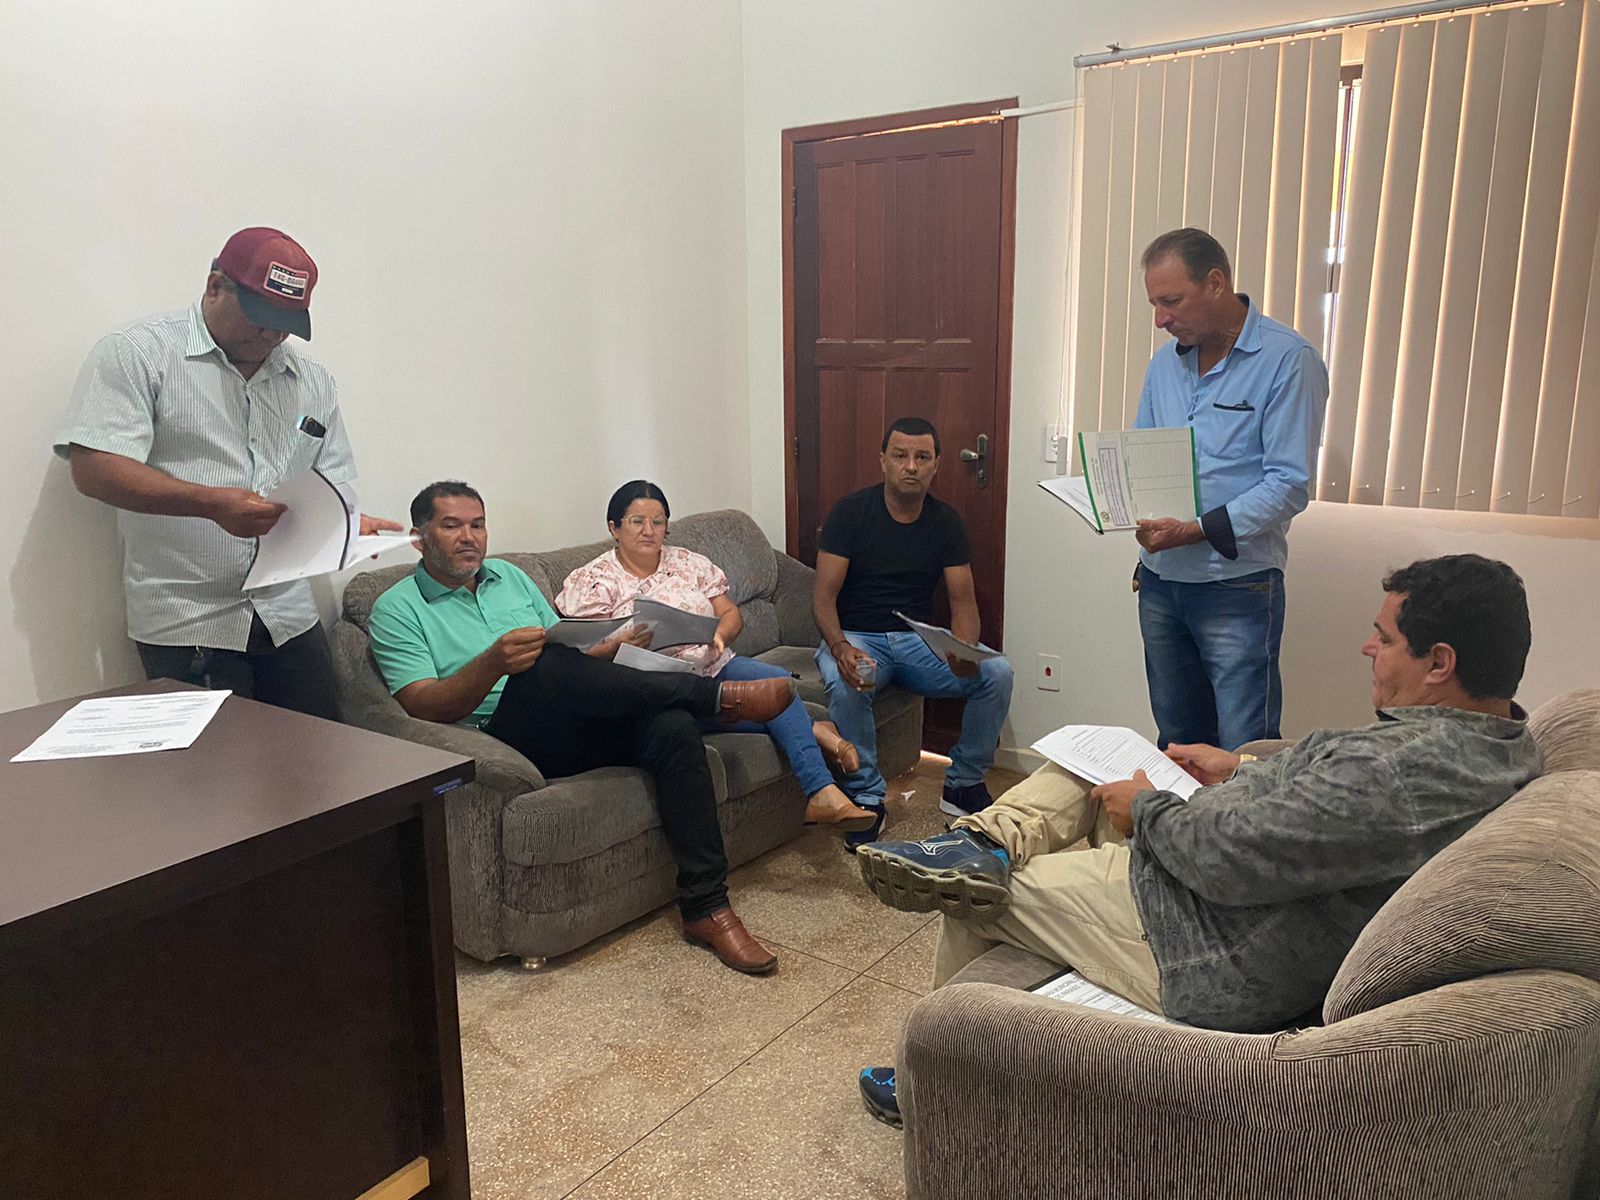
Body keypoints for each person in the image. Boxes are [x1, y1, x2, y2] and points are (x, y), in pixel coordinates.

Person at [854, 554, 1540, 1125]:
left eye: (1384, 639)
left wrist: (1148, 809)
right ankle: (980, 840)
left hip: (1200, 942)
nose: (1368, 648)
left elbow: (1228, 860)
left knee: (975, 895)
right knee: (1089, 765)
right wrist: (1239, 767)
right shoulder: (1494, 743)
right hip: (1218, 881)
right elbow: (1323, 814)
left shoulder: (1403, 773)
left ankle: (930, 1092)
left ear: (1439, 661)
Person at [368, 481, 799, 975]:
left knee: (673, 728)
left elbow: (566, 651)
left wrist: (605, 651)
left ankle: (707, 907)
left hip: (570, 714)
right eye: (452, 526)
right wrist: (492, 664)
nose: (469, 537)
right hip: (508, 731)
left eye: (477, 524)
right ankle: (713, 698)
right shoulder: (395, 608)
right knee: (543, 666)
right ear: (419, 538)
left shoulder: (509, 577)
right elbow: (421, 705)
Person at [53, 226, 402, 719]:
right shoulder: (138, 352)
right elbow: (94, 469)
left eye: (286, 324)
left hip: (288, 617)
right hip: (189, 622)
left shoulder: (311, 380)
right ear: (215, 286)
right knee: (215, 768)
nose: (272, 335)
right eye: (261, 318)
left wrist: (343, 523)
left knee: (319, 757)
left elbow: (326, 480)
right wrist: (211, 503)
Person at [556, 480, 878, 831]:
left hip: (712, 666)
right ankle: (815, 745)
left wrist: (721, 635)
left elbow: (730, 613)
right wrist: (621, 644)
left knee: (780, 686)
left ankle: (821, 793)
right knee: (734, 710)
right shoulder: (594, 580)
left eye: (658, 521)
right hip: (655, 687)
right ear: (614, 528)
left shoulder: (687, 562)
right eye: (637, 521)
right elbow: (583, 658)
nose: (649, 530)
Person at [1131, 227, 1329, 750]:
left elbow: (1289, 484)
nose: (1160, 319)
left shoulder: (1288, 359)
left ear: (1216, 284)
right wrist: (1132, 518)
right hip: (1161, 581)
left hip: (1237, 587)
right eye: (1155, 304)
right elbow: (1145, 458)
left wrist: (1195, 530)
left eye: (1171, 301)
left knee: (1244, 747)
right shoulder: (1164, 364)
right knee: (1177, 740)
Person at [813, 417, 1015, 846]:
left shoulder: (945, 522)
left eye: (922, 457)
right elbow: (823, 597)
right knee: (848, 681)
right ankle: (866, 798)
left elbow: (963, 603)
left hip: (916, 640)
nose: (911, 466)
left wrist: (963, 649)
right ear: (882, 461)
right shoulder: (851, 513)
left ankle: (963, 784)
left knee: (998, 673)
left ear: (936, 464)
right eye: (900, 455)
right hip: (857, 636)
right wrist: (839, 647)